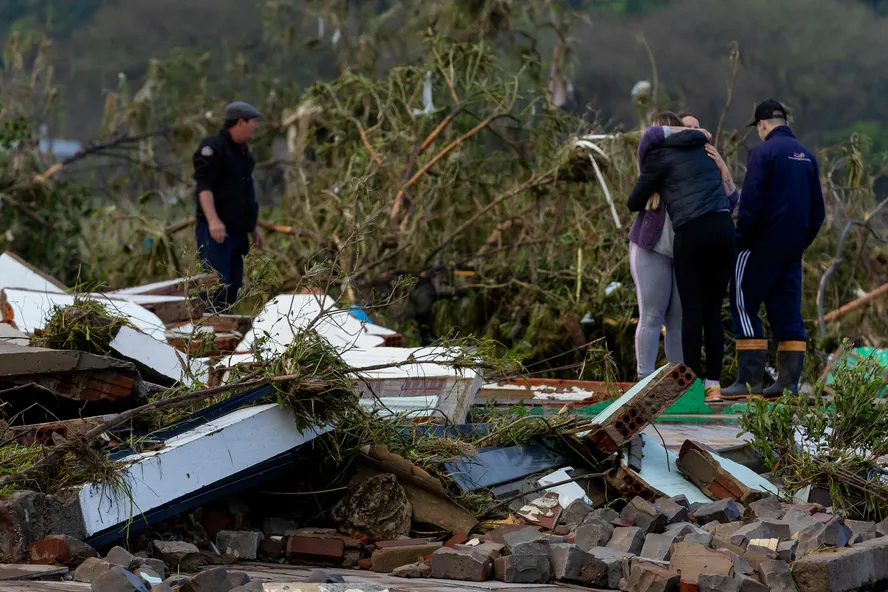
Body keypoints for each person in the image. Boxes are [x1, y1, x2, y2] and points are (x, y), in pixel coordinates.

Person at [627, 111, 736, 396]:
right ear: (673, 131)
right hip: (656, 246)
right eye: (684, 129)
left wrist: (724, 169)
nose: (690, 133)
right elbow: (650, 138)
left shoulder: (701, 156)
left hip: (689, 244)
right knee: (654, 315)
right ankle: (645, 382)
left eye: (695, 129)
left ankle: (685, 386)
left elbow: (733, 199)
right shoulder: (656, 153)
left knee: (685, 317)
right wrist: (696, 135)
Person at [722, 100, 825, 399]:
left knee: (743, 301)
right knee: (788, 314)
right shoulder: (807, 156)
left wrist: (740, 241)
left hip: (759, 247)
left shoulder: (763, 152)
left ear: (763, 125)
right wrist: (799, 242)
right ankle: (788, 385)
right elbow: (818, 212)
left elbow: (751, 204)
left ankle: (749, 382)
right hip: (792, 251)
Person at [193, 101, 264, 311]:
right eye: (253, 122)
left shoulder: (243, 153)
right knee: (216, 286)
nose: (256, 126)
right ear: (240, 122)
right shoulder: (213, 148)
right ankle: (211, 333)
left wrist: (252, 226)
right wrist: (213, 220)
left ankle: (227, 334)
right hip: (216, 232)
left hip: (238, 231)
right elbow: (204, 186)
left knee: (233, 289)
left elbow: (244, 193)